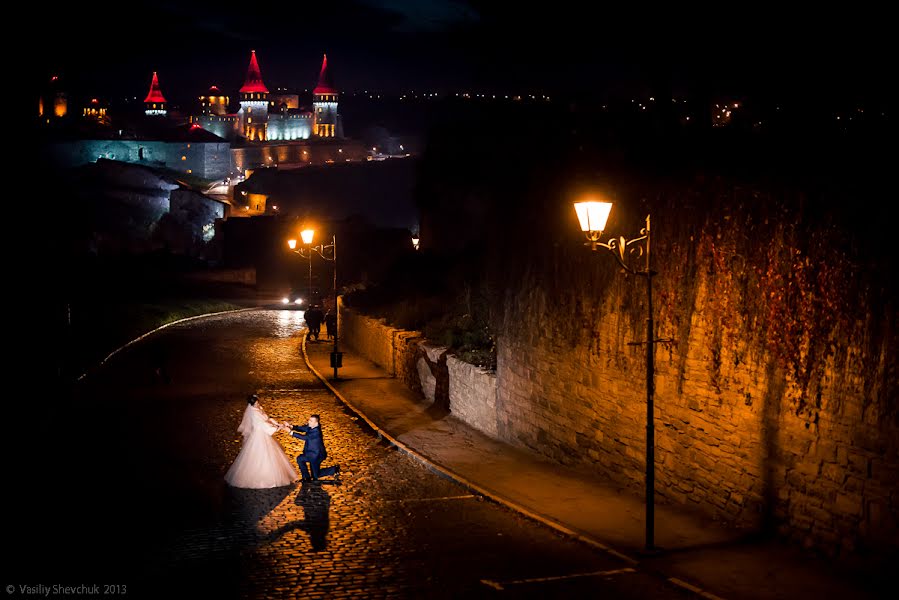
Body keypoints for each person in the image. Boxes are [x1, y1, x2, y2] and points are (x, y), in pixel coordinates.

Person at [224, 394, 298, 489]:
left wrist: (276, 423)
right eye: (256, 403)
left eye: (257, 402)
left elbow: (267, 419)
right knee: (261, 454)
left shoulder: (259, 408)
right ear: (252, 403)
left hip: (264, 433)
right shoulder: (254, 412)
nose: (257, 404)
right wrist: (275, 428)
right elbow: (263, 424)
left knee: (270, 453)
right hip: (259, 434)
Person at [285, 414, 340, 482]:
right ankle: (306, 477)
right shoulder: (311, 426)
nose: (309, 422)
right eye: (309, 420)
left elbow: (305, 437)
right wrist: (291, 426)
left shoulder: (316, 432)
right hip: (310, 453)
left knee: (315, 474)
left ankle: (334, 469)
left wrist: (291, 432)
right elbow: (303, 428)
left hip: (316, 455)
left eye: (311, 421)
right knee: (300, 459)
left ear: (316, 423)